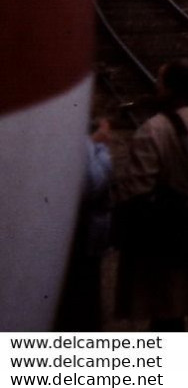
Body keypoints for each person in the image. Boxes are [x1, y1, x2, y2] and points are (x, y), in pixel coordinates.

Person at [114, 60, 188, 332]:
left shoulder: (152, 130)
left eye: (160, 81)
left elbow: (135, 191)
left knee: (167, 319)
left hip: (166, 247)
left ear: (170, 89)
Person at [54, 117, 114, 330]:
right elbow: (91, 182)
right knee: (81, 304)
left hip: (78, 231)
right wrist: (99, 146)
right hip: (78, 232)